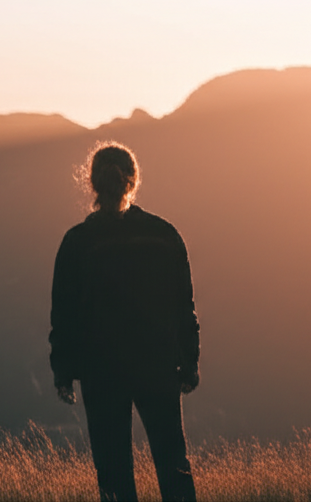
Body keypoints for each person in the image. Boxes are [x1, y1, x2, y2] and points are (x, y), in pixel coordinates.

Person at [49, 142, 200, 502]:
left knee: (113, 471)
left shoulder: (78, 242)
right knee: (172, 462)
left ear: (92, 184)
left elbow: (64, 314)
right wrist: (189, 362)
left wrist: (63, 371)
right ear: (133, 180)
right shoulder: (164, 235)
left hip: (101, 373)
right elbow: (184, 306)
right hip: (158, 365)